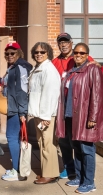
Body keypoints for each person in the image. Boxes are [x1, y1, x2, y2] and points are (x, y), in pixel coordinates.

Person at [52, 32, 101, 179]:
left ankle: (85, 177)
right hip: (63, 108)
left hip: (80, 110)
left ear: (71, 43)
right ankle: (69, 168)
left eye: (66, 41)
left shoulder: (83, 59)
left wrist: (98, 65)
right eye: (61, 42)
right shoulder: (55, 62)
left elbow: (96, 79)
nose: (64, 44)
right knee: (64, 142)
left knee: (81, 144)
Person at [28, 42, 61, 184]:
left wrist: (46, 117)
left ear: (48, 53)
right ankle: (45, 170)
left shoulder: (49, 69)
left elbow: (50, 94)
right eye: (36, 52)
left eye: (42, 52)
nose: (39, 54)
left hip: (45, 115)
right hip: (38, 114)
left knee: (48, 144)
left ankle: (51, 174)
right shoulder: (38, 68)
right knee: (42, 142)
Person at [1, 42, 32, 181]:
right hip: (13, 107)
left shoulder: (21, 67)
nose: (9, 55)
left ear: (18, 53)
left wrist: (22, 112)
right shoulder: (13, 67)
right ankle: (18, 168)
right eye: (7, 53)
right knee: (15, 138)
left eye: (12, 53)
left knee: (12, 137)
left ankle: (17, 171)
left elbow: (23, 91)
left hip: (16, 109)